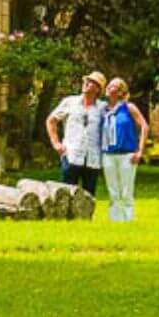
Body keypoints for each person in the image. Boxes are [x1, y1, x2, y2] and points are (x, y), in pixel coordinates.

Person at [45, 71, 108, 197]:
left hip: (93, 157)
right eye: (86, 81)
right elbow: (51, 121)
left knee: (89, 196)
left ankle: (85, 217)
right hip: (71, 154)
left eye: (91, 82)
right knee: (66, 193)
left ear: (98, 89)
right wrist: (56, 143)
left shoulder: (103, 108)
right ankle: (65, 217)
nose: (86, 83)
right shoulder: (69, 102)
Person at [100, 78, 149, 223]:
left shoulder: (128, 107)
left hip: (127, 154)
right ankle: (115, 220)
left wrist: (140, 150)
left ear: (121, 92)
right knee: (112, 190)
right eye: (108, 86)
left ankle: (128, 220)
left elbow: (144, 126)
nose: (109, 88)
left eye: (113, 86)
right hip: (108, 154)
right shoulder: (103, 109)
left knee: (126, 190)